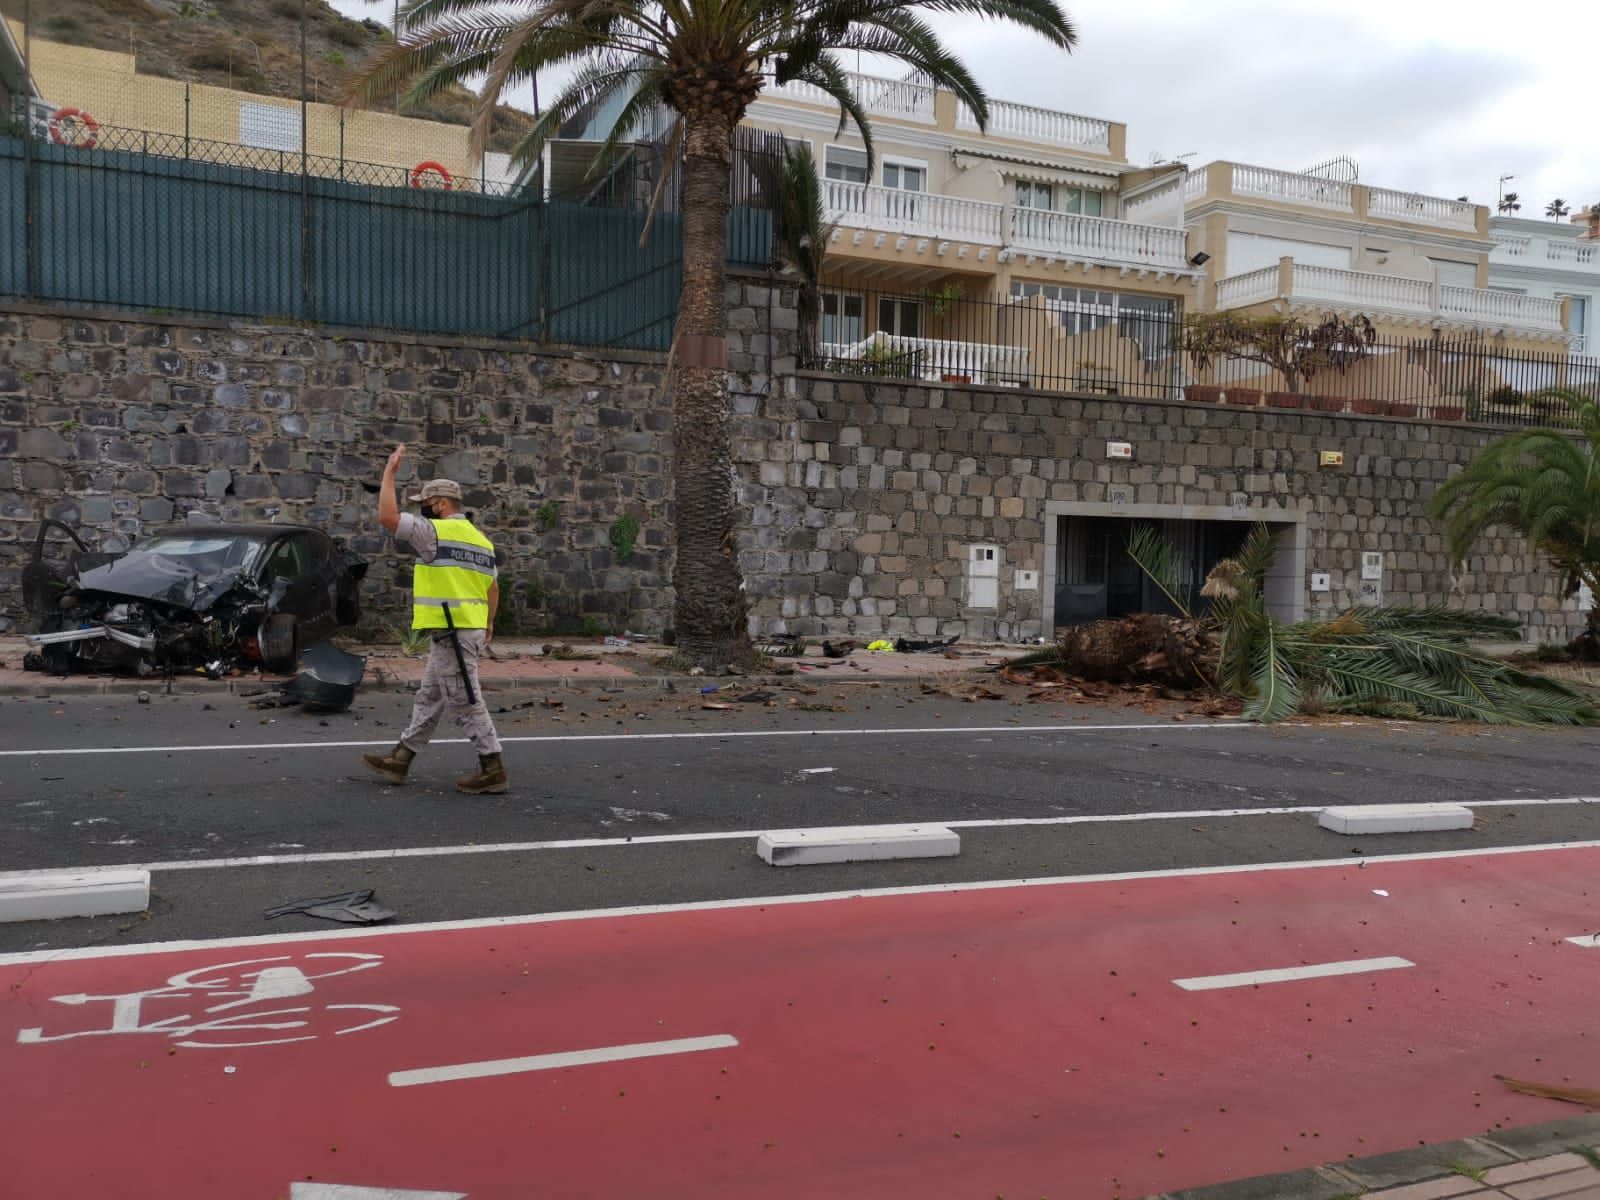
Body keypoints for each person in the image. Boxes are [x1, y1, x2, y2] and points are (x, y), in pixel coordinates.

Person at [361, 444, 509, 795]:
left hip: (452, 630)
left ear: (441, 504)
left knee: (465, 700)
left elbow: (388, 518)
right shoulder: (482, 542)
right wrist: (488, 624)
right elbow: (493, 589)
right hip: (466, 628)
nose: (422, 511)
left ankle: (493, 767)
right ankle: (401, 758)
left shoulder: (434, 533)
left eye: (425, 505)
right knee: (430, 696)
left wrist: (389, 474)